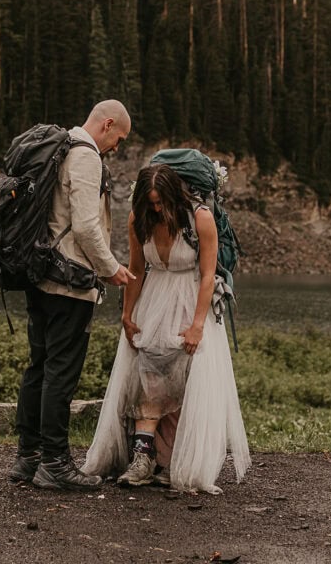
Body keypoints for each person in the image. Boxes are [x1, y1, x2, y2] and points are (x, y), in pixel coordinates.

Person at [83, 163, 251, 494]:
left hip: (191, 302)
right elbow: (136, 268)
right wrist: (127, 314)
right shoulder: (139, 218)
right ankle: (143, 459)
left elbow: (207, 275)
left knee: (187, 383)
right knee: (149, 380)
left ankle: (174, 460)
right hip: (152, 303)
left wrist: (197, 326)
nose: (157, 209)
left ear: (174, 196)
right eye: (151, 203)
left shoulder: (200, 218)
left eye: (161, 202)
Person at [9, 100, 134, 491]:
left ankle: (27, 458)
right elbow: (85, 226)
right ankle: (55, 463)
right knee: (60, 373)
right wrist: (110, 269)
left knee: (39, 366)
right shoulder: (84, 155)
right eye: (119, 139)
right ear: (108, 124)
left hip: (41, 274)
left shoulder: (59, 148)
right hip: (69, 280)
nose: (117, 147)